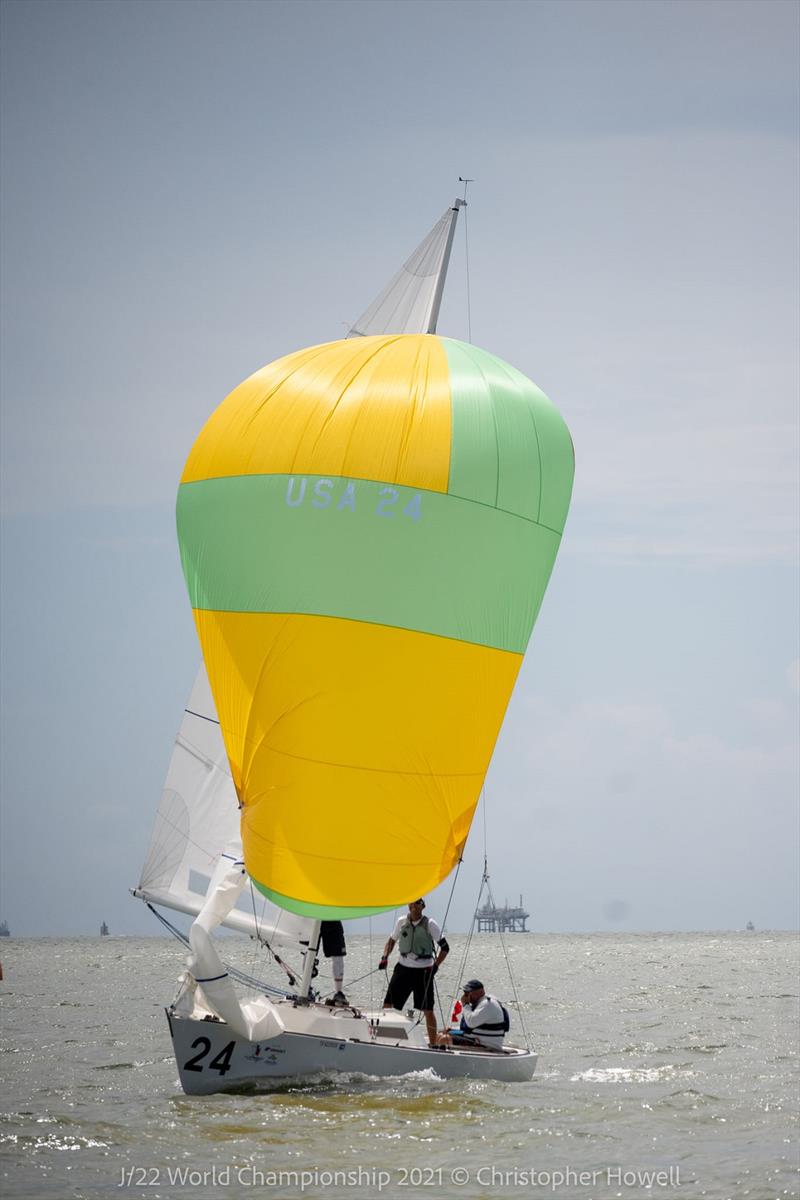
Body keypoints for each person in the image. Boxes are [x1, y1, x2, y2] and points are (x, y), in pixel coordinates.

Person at [378, 898, 449, 1046]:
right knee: (388, 1005)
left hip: (423, 971)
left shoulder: (429, 924)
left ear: (423, 906)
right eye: (412, 903)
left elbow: (445, 948)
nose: (414, 906)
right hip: (403, 968)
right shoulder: (401, 921)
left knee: (427, 1010)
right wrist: (385, 957)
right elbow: (391, 941)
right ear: (408, 905)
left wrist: (435, 967)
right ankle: (385, 1040)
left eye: (417, 903)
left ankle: (433, 1045)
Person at [437, 979, 509, 1050]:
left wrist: (466, 1005)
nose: (466, 995)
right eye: (465, 992)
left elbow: (471, 1023)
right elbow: (470, 1029)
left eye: (468, 992)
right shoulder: (480, 1003)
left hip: (485, 1044)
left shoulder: (488, 1004)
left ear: (480, 992)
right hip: (474, 1037)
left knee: (445, 1039)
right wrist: (453, 1030)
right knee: (441, 1033)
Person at [321, 920, 347, 1006]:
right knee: (307, 951)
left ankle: (338, 993)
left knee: (338, 957)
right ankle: (306, 990)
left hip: (332, 916)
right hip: (311, 917)